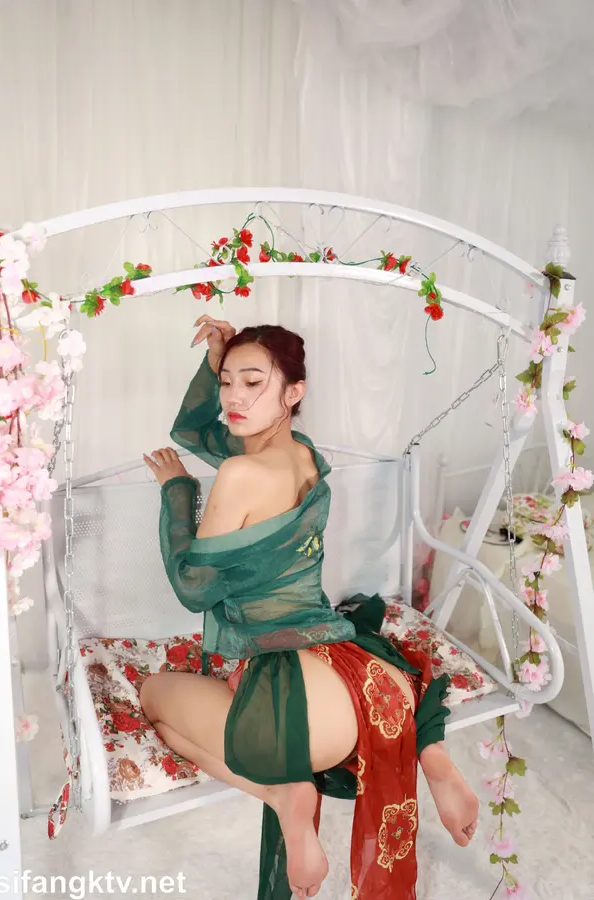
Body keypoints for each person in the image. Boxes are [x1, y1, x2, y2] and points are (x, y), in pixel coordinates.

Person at [139, 315, 478, 900]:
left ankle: (281, 794)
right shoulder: (305, 455)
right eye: (227, 383)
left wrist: (177, 492)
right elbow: (195, 434)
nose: (234, 398)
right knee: (383, 679)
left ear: (293, 392)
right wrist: (217, 361)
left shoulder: (240, 474)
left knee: (154, 697)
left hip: (294, 711)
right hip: (368, 682)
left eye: (253, 383)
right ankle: (433, 755)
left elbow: (194, 589)